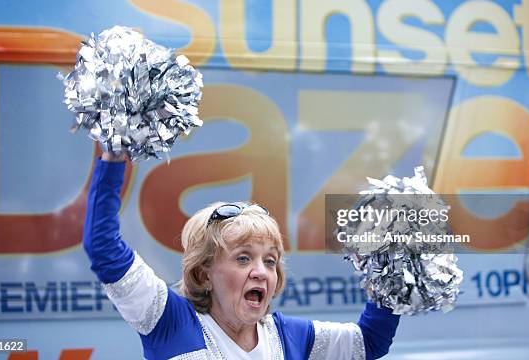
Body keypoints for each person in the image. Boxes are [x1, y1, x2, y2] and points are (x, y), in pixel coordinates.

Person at [84, 152, 400, 359]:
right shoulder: (169, 320)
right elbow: (104, 249)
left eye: (270, 260)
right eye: (243, 258)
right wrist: (115, 156)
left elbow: (367, 342)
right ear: (204, 273)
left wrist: (396, 267)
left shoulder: (291, 336)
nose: (261, 271)